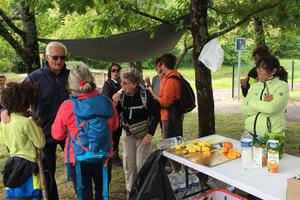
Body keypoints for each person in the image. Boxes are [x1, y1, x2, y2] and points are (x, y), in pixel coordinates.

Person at [52, 63, 118, 200]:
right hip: (103, 155)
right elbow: (114, 126)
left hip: (77, 158)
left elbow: (57, 134)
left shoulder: (67, 106)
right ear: (91, 79)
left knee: (84, 195)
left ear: (71, 85)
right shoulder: (107, 102)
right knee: (102, 193)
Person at [26, 41, 70, 200]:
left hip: (70, 132)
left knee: (79, 166)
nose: (59, 61)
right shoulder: (35, 77)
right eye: (55, 57)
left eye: (63, 57)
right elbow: (16, 98)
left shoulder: (72, 76)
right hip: (45, 132)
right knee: (48, 171)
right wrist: (3, 110)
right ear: (46, 57)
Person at [112, 67, 160, 197]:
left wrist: (150, 133)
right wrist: (114, 103)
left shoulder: (145, 95)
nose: (122, 85)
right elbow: (113, 115)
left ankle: (143, 193)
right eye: (121, 82)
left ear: (134, 84)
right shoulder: (121, 95)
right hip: (127, 135)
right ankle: (131, 193)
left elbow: (156, 114)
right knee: (129, 166)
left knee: (142, 165)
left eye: (125, 83)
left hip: (143, 135)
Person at [0, 82, 45, 199]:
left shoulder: (4, 122)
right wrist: (37, 125)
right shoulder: (27, 122)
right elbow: (40, 143)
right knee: (32, 194)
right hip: (29, 164)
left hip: (13, 162)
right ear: (25, 102)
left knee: (17, 195)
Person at [241, 56, 289, 137]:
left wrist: (249, 102)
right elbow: (244, 109)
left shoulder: (282, 86)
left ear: (273, 71)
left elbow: (270, 108)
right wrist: (263, 104)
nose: (258, 70)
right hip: (249, 133)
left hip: (271, 136)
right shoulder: (254, 86)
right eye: (258, 67)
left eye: (263, 68)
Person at [102, 63, 123, 166]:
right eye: (113, 70)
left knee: (117, 135)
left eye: (118, 70)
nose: (116, 72)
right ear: (110, 72)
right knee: (113, 136)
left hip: (119, 115)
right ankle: (112, 156)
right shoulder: (108, 84)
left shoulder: (120, 84)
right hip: (111, 115)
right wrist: (113, 100)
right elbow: (105, 100)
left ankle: (115, 154)